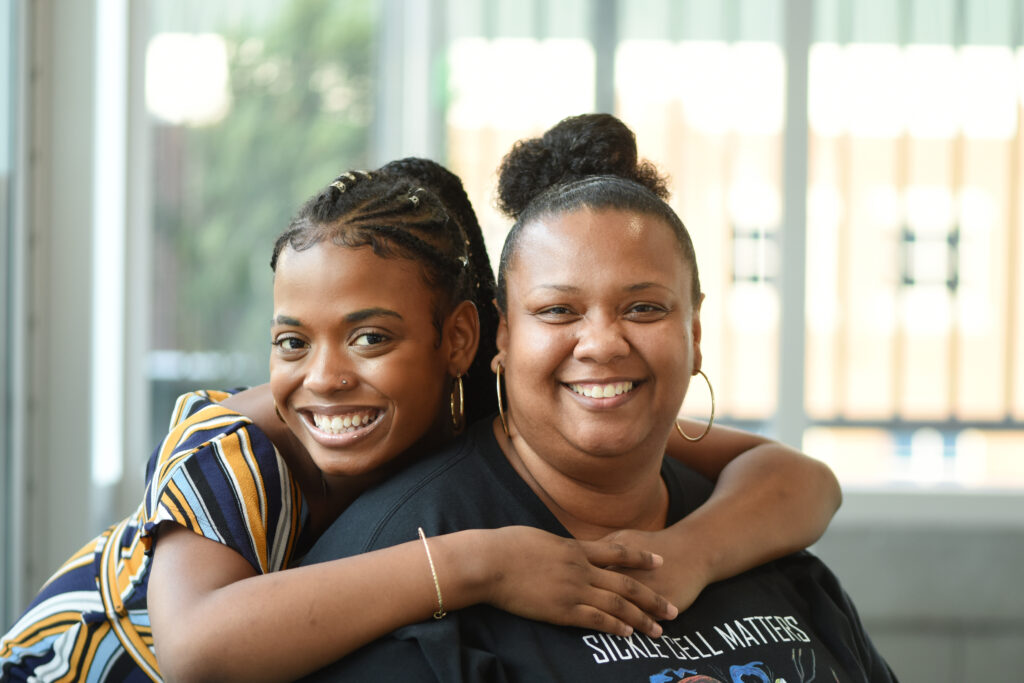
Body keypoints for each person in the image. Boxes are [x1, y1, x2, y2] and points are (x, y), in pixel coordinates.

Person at [0, 157, 839, 683]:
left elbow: (799, 479)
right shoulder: (233, 452)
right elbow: (199, 652)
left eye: (371, 336)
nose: (326, 377)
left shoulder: (485, 404)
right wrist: (478, 561)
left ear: (462, 342)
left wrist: (686, 555)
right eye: (292, 340)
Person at [299, 115, 896, 682]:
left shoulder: (762, 542)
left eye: (644, 308)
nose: (603, 345)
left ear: (693, 335)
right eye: (558, 311)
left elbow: (807, 479)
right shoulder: (401, 562)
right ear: (502, 335)